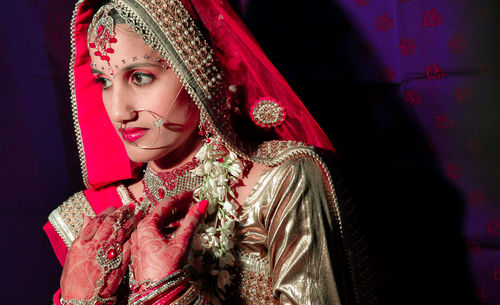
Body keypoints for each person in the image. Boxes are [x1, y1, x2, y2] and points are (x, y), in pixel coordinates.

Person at [44, 0, 373, 304]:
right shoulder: (90, 222)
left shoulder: (281, 182)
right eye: (104, 81)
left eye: (140, 76)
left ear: (199, 71)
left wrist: (170, 296)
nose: (118, 111)